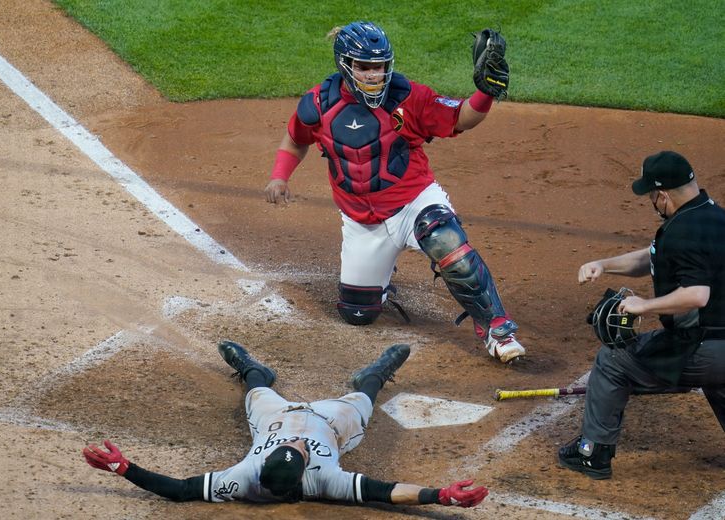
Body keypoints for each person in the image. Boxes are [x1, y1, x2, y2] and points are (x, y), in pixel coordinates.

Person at [263, 21, 525, 364]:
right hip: (362, 222)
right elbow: (296, 139)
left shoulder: (408, 96)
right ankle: (378, 283)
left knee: (445, 240)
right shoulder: (319, 103)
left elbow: (461, 117)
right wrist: (279, 177)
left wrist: (486, 93)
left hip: (413, 203)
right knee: (357, 313)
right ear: (344, 64)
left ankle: (496, 328)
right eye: (365, 67)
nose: (374, 75)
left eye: (380, 66)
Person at [83, 340, 489, 508]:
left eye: (287, 449)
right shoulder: (325, 480)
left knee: (256, 391)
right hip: (334, 422)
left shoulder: (244, 477)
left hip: (272, 418)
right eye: (297, 451)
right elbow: (386, 491)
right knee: (365, 398)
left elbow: (181, 490)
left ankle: (251, 370)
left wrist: (123, 468)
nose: (296, 444)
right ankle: (376, 374)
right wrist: (442, 495)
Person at [558, 151, 725, 479]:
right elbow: (652, 257)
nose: (651, 200)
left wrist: (645, 305)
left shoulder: (682, 231)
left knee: (613, 362)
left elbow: (697, 295)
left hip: (707, 347)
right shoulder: (712, 217)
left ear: (662, 195)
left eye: (651, 194)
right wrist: (604, 265)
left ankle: (593, 452)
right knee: (718, 380)